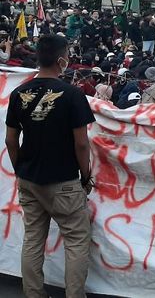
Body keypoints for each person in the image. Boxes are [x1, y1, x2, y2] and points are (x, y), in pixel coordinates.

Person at [4, 34, 96, 297]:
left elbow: (11, 140)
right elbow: (81, 144)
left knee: (33, 239)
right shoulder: (72, 95)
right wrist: (86, 176)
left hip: (29, 181)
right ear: (61, 60)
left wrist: (20, 169)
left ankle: (33, 293)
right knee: (77, 240)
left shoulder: (18, 93)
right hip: (64, 181)